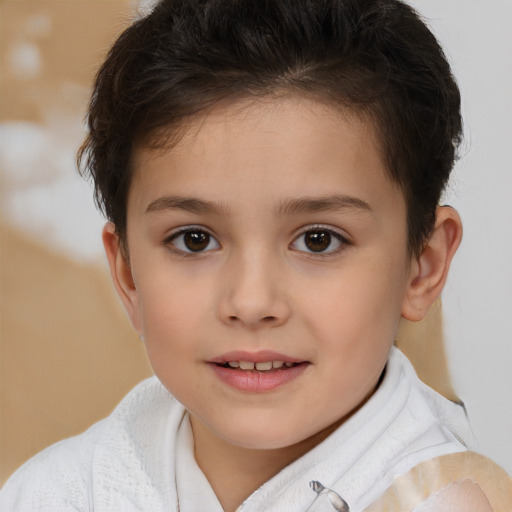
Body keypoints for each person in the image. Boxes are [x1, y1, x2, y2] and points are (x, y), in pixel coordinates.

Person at [1, 0, 510, 510]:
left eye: (318, 240)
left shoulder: (446, 499)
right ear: (128, 273)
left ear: (423, 266)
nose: (251, 301)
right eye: (194, 240)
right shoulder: (52, 493)